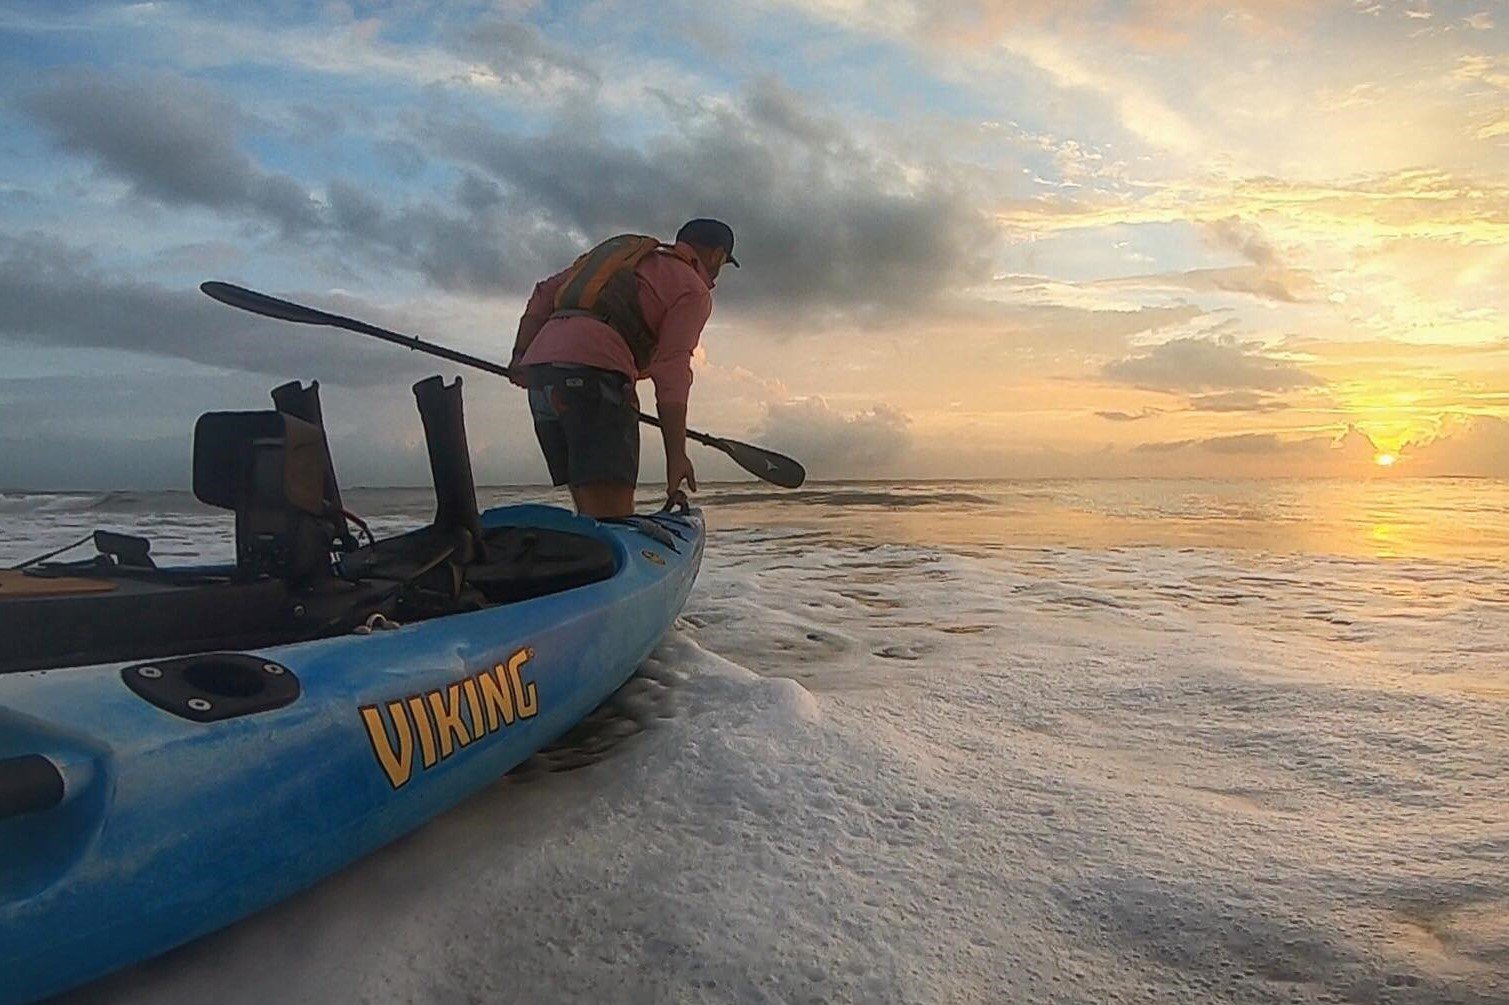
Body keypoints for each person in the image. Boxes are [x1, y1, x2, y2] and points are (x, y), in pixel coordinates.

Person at [508, 218, 738, 519]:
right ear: (717, 256)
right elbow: (672, 371)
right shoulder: (693, 290)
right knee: (609, 522)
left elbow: (544, 292)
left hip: (542, 378)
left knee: (590, 516)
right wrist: (676, 456)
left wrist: (520, 355)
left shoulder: (624, 260)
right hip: (595, 380)